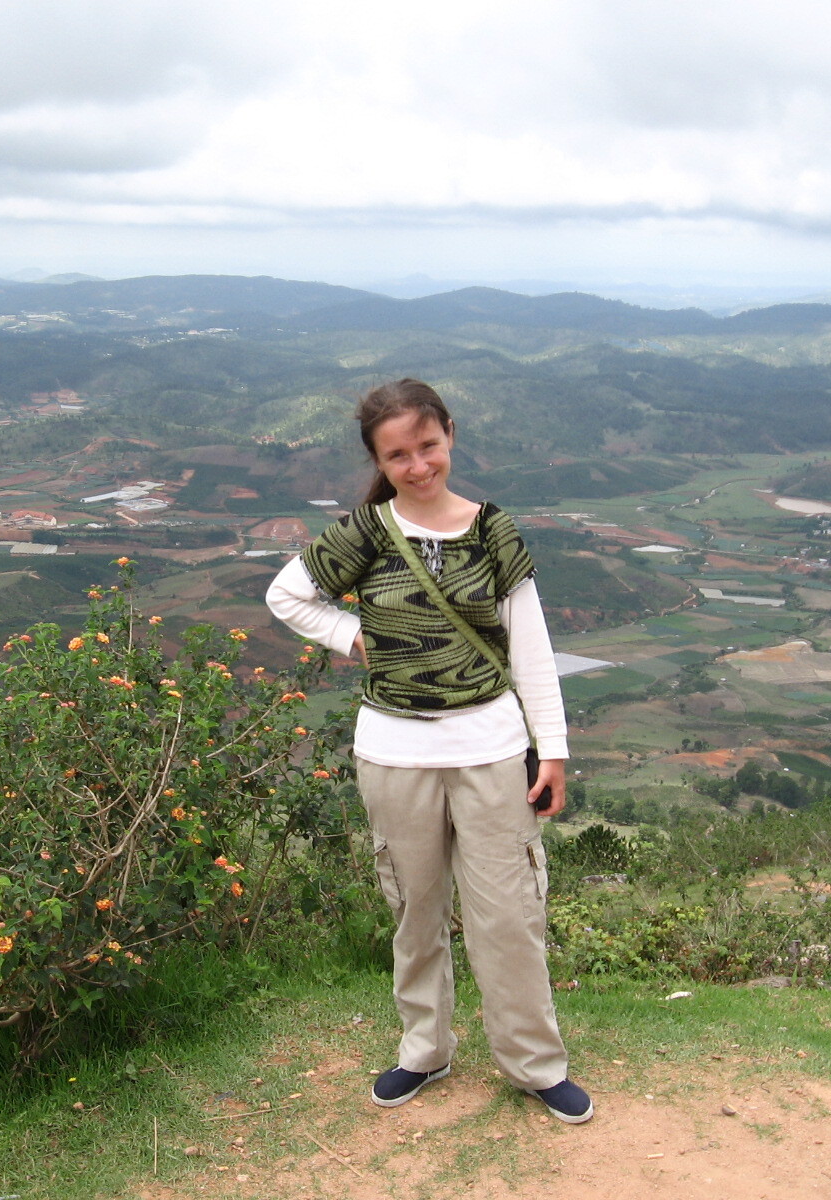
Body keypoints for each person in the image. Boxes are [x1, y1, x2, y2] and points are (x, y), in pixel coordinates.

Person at [265, 378, 592, 1123]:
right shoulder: (366, 532)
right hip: (393, 752)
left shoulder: (493, 531)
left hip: (491, 746)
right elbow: (287, 595)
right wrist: (352, 636)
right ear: (380, 458)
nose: (418, 465)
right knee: (414, 909)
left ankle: (534, 1064)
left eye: (428, 446)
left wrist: (555, 751)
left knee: (508, 913)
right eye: (399, 454)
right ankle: (424, 1049)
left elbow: (532, 650)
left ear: (449, 435)